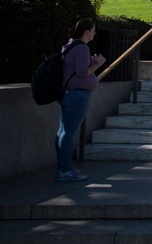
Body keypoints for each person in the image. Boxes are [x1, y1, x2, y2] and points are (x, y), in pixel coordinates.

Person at [55, 18, 105, 182]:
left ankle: (63, 168)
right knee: (68, 132)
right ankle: (66, 170)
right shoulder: (82, 48)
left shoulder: (69, 45)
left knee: (63, 131)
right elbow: (83, 73)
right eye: (93, 30)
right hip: (78, 95)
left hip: (68, 94)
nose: (94, 33)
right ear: (87, 31)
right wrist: (98, 63)